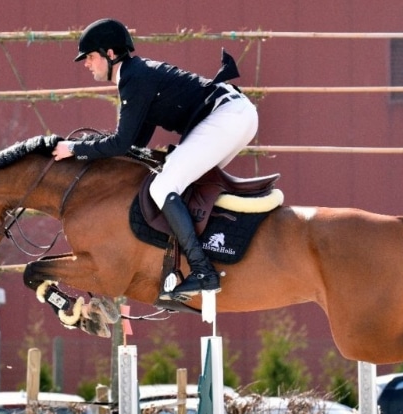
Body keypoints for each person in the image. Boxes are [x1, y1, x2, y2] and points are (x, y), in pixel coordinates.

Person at [52, 18, 258, 300]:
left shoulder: (134, 79)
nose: (86, 63)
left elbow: (121, 142)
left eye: (89, 56)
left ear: (110, 54)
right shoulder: (137, 76)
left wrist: (74, 150)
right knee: (182, 187)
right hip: (236, 116)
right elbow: (135, 143)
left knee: (162, 187)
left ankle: (203, 272)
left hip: (228, 116)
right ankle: (199, 260)